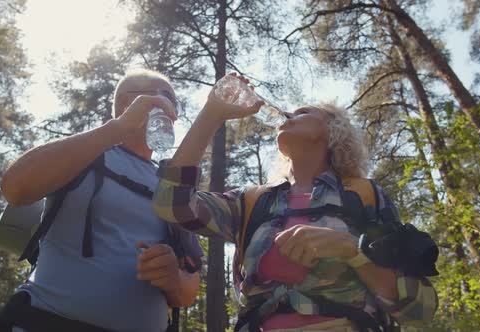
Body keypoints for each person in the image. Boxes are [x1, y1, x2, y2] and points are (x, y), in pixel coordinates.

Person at [152, 74, 438, 331]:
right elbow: (171, 205)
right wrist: (211, 114)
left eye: (302, 112)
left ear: (330, 131)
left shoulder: (363, 196)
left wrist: (352, 250)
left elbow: (420, 309)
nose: (287, 114)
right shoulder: (252, 201)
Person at [0, 70, 203, 332]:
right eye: (163, 97)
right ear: (127, 103)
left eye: (175, 102)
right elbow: (16, 187)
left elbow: (189, 290)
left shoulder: (172, 185)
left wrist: (174, 279)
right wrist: (117, 129)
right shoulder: (85, 153)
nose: (172, 109)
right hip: (45, 321)